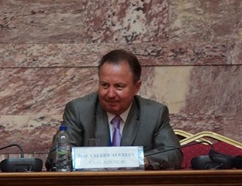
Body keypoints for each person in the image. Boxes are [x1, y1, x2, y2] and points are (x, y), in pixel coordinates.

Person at [53, 49, 182, 170]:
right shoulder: (79, 111)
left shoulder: (154, 114)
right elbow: (56, 157)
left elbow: (173, 154)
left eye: (119, 86)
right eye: (104, 85)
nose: (110, 94)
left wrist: (139, 161)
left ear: (136, 87)